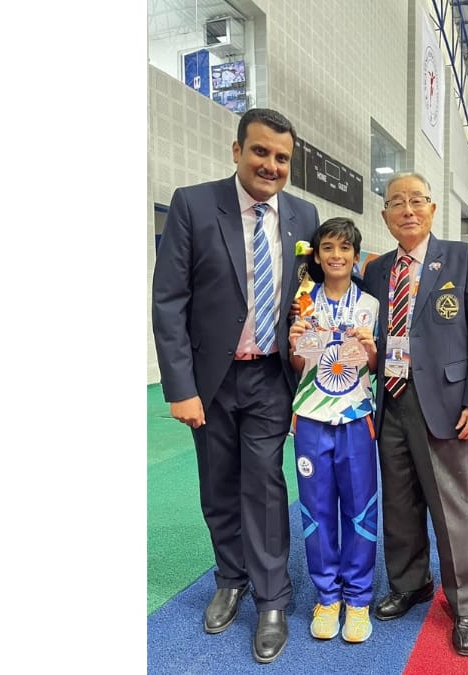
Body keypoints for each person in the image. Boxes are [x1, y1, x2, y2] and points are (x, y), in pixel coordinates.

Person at [150, 108, 319, 665]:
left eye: (282, 158)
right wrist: (180, 386)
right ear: (236, 149)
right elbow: (170, 301)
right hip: (211, 379)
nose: (271, 165)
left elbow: (311, 298)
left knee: (266, 486)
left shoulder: (303, 214)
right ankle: (231, 576)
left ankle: (272, 597)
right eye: (261, 152)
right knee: (218, 484)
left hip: (272, 376)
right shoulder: (194, 205)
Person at [363, 172, 468, 657]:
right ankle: (410, 582)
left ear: (433, 208)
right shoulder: (376, 272)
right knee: (398, 503)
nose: (407, 210)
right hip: (391, 402)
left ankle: (464, 604)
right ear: (385, 215)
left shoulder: (463, 260)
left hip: (446, 405)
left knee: (452, 506)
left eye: (416, 200)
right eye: (396, 203)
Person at [286, 218, 380, 644]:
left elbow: (378, 368)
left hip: (357, 417)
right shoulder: (304, 302)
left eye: (344, 248)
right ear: (318, 256)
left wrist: (373, 349)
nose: (336, 255)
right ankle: (328, 596)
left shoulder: (371, 305)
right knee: (315, 508)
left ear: (355, 256)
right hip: (310, 417)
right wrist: (295, 342)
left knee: (360, 509)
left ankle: (358, 598)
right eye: (328, 248)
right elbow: (299, 367)